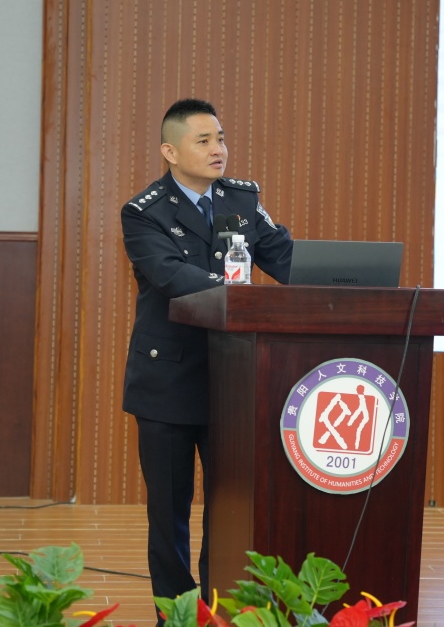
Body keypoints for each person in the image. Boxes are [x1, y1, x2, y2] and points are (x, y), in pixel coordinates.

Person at [121, 98, 294, 615]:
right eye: (204, 141)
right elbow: (172, 276)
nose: (219, 149)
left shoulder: (241, 200)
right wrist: (240, 292)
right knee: (169, 513)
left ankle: (220, 612)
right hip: (168, 382)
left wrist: (341, 279)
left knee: (230, 510)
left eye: (220, 138)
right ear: (170, 152)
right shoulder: (144, 212)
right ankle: (175, 616)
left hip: (233, 381)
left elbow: (285, 259)